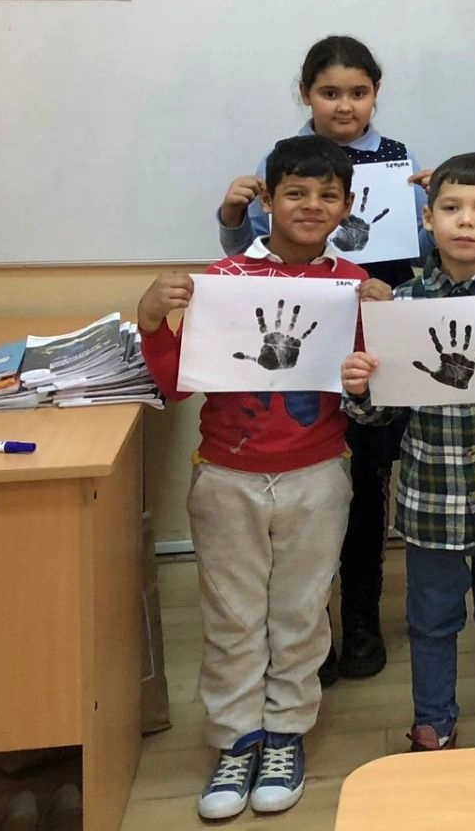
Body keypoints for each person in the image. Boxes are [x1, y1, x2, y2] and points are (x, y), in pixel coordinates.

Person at [140, 135, 388, 820]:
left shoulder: (354, 286)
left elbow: (372, 396)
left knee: (301, 613)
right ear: (267, 201)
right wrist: (152, 320)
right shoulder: (224, 280)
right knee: (233, 615)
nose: (311, 205)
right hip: (228, 475)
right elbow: (174, 386)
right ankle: (236, 738)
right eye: (295, 193)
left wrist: (384, 328)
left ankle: (285, 734)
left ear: (347, 206)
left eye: (328, 195)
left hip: (318, 474)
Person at [214, 34, 423, 683]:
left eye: (358, 92)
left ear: (376, 94)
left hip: (371, 341)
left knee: (365, 488)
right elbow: (253, 258)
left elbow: (422, 249)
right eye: (330, 92)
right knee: (308, 494)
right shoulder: (284, 160)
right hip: (300, 347)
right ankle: (311, 629)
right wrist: (232, 215)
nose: (344, 105)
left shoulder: (397, 159)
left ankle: (360, 619)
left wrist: (436, 202)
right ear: (306, 94)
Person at [339, 152, 475, 750]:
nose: (466, 221)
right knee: (430, 621)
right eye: (451, 208)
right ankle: (433, 725)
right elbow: (380, 414)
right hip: (429, 499)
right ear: (428, 219)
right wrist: (359, 390)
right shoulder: (402, 304)